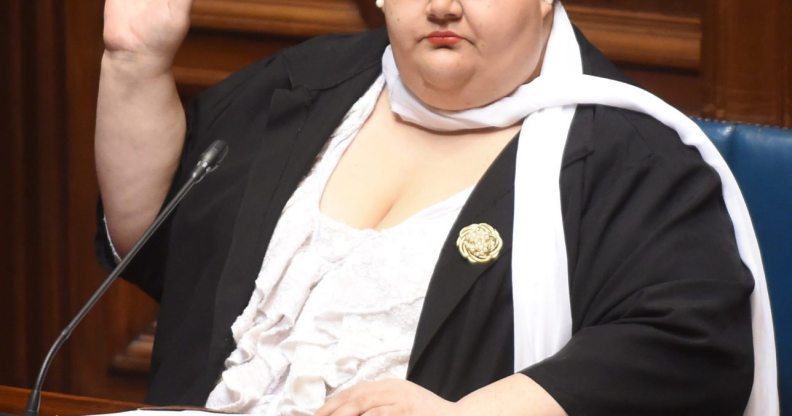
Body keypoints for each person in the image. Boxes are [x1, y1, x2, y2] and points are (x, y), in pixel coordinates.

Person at [95, 0, 778, 415]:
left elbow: (689, 348)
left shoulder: (627, 153)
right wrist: (133, 62)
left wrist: (471, 415)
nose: (443, 7)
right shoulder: (301, 87)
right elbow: (155, 241)